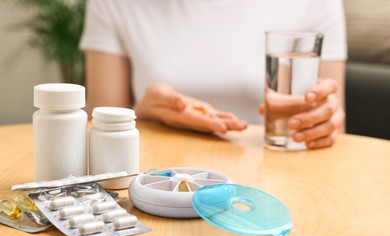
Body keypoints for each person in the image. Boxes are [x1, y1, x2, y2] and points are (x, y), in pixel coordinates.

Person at [80, 0, 347, 149]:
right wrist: (144, 113)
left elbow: (334, 123)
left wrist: (325, 119)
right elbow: (98, 131)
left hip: (279, 173)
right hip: (158, 180)